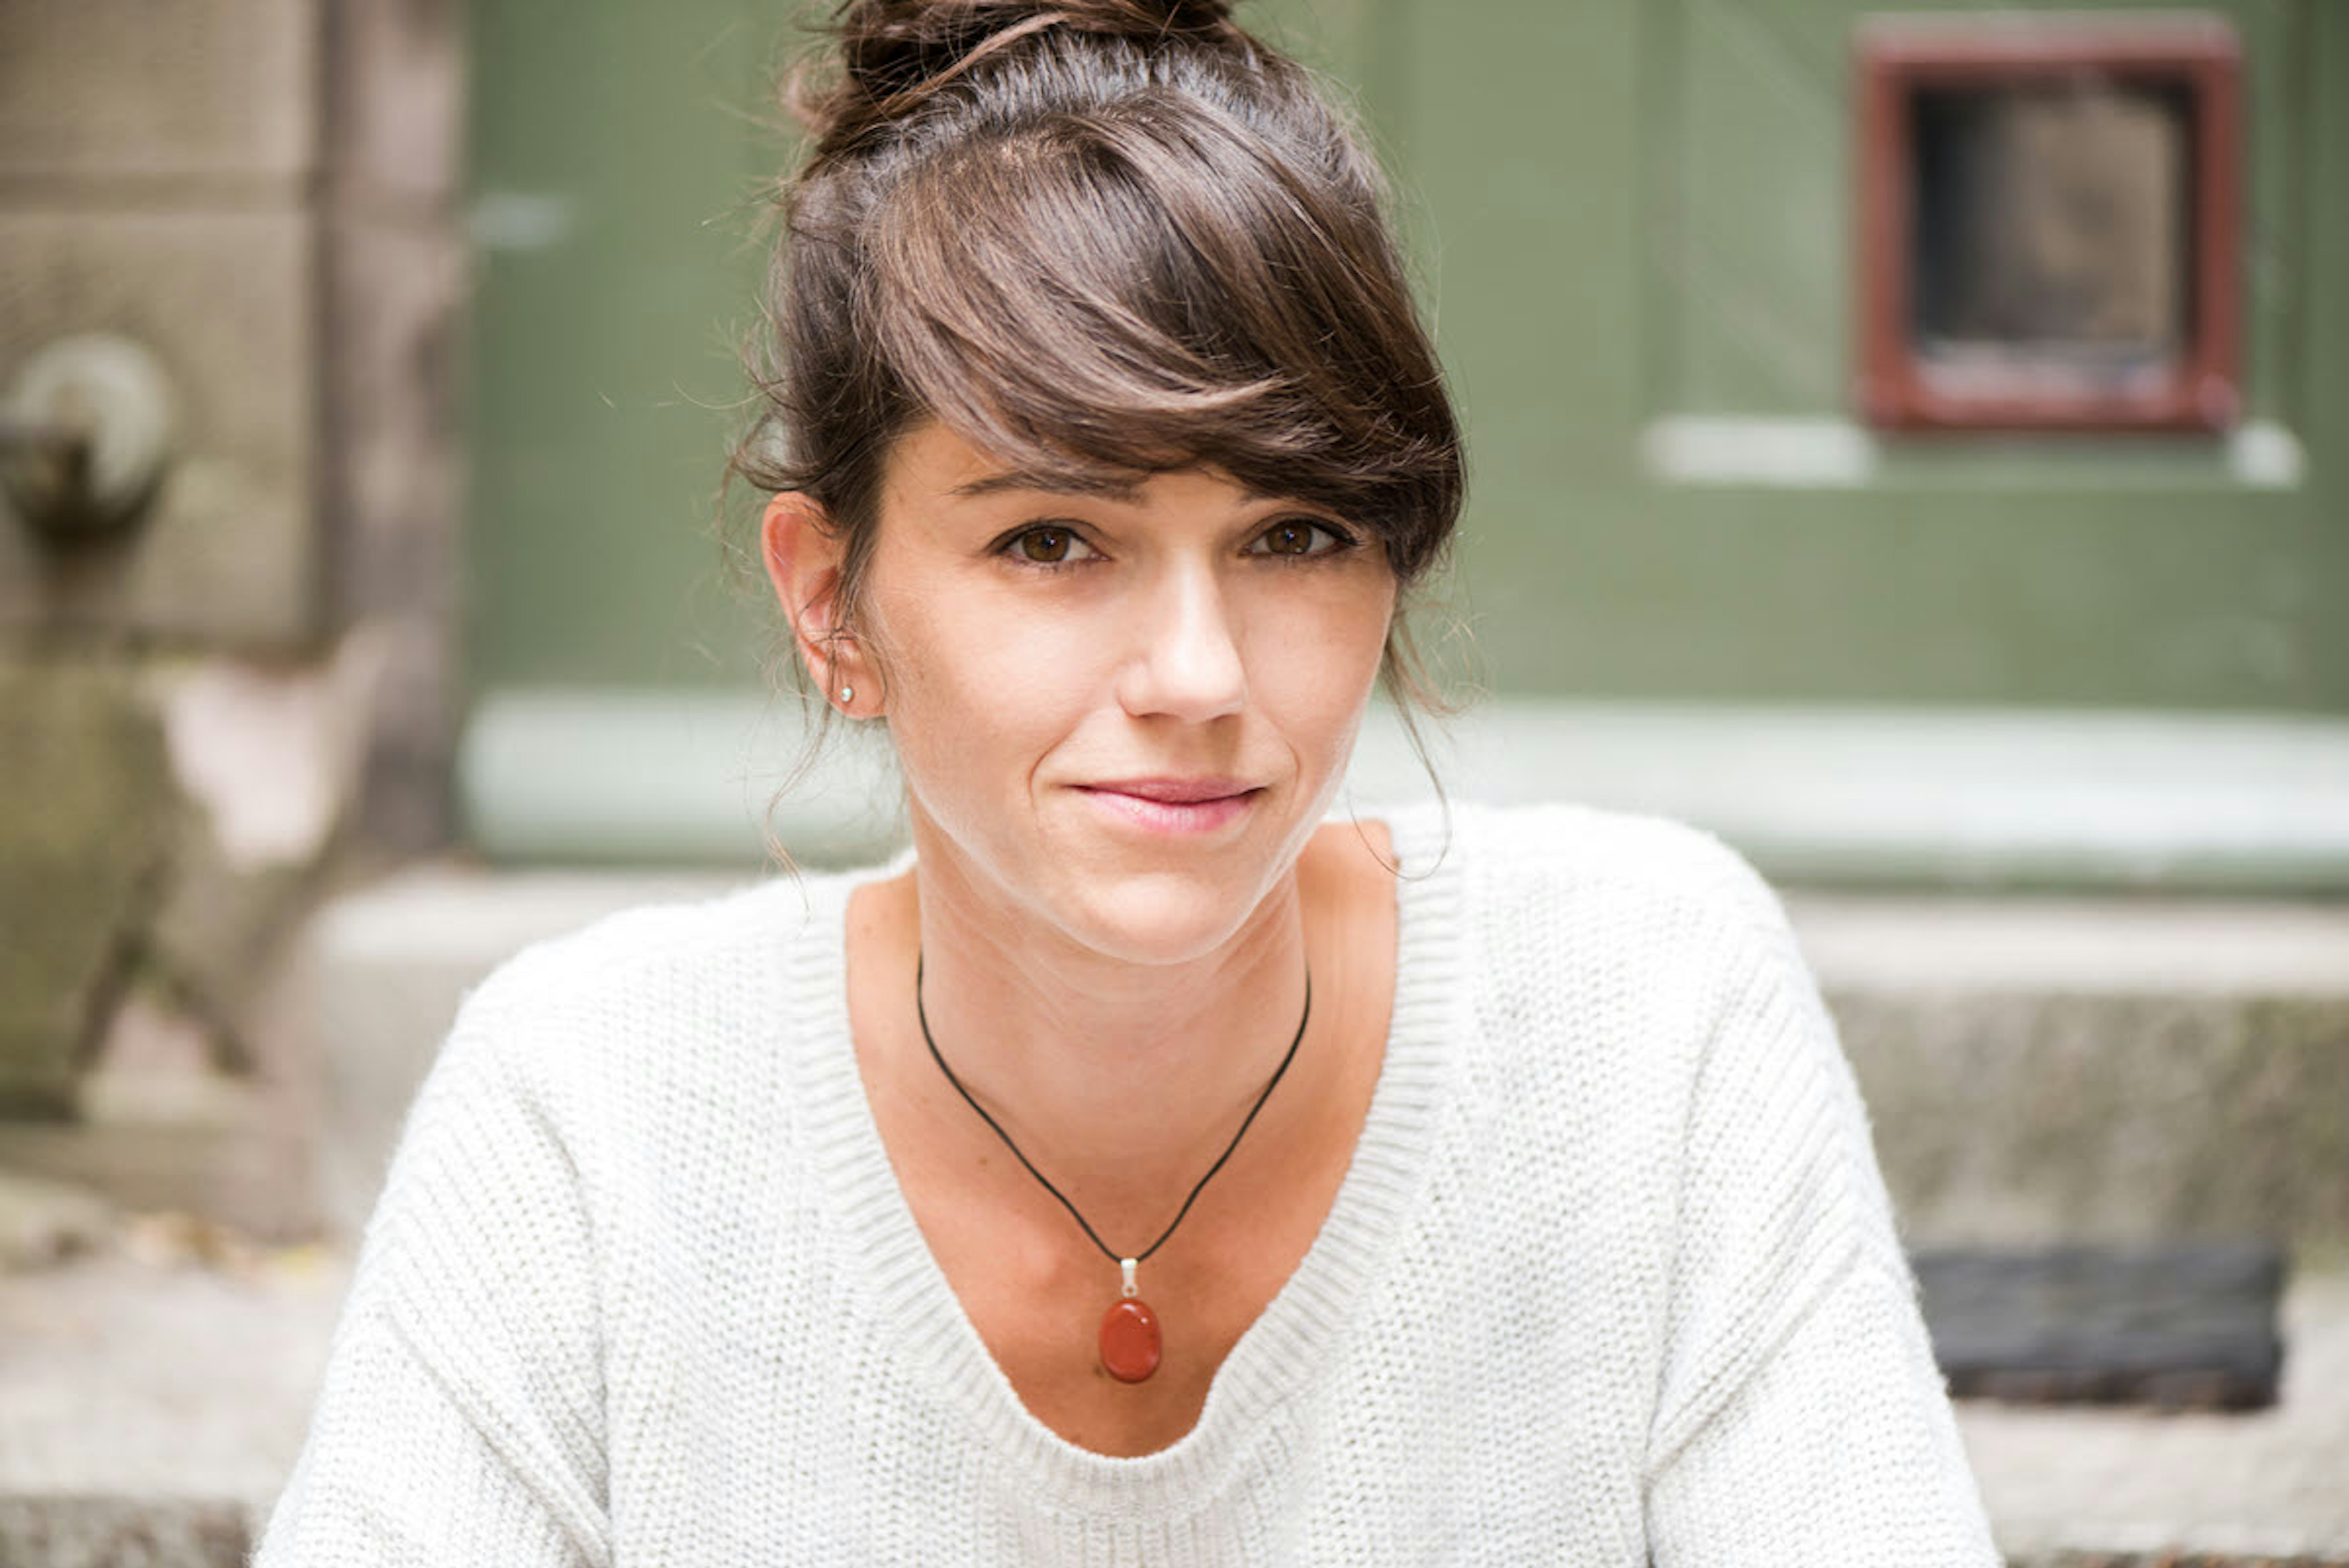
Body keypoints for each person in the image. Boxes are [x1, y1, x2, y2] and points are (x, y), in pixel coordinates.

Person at [255, 1, 2002, 1561]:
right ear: (831, 599)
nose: (1200, 676)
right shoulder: (590, 1114)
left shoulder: (1648, 1017)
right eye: (1053, 539)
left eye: (1295, 533)